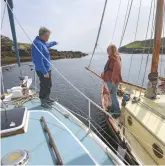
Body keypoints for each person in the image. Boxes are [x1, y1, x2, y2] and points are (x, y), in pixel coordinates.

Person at [31, 27, 58, 108]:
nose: (48, 37)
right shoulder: (37, 44)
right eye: (48, 36)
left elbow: (48, 44)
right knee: (44, 85)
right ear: (43, 35)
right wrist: (44, 72)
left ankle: (47, 98)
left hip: (47, 68)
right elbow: (38, 60)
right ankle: (43, 101)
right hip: (43, 70)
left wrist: (54, 43)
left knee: (49, 84)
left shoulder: (42, 42)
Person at [101, 44, 122, 118]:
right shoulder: (111, 58)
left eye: (108, 50)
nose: (107, 51)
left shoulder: (116, 58)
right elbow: (108, 69)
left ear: (113, 50)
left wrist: (113, 79)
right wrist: (103, 74)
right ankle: (113, 109)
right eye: (107, 50)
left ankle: (116, 111)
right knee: (112, 95)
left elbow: (117, 69)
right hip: (109, 79)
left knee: (111, 95)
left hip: (112, 80)